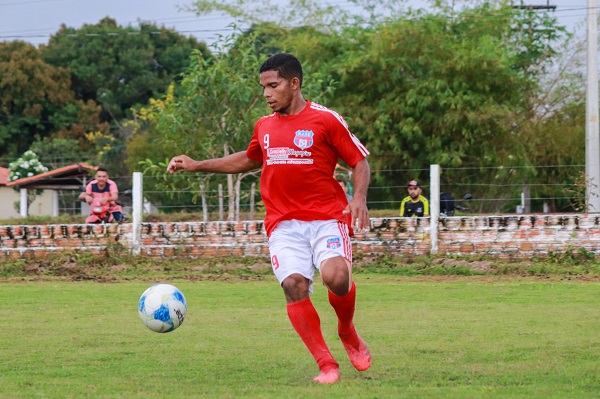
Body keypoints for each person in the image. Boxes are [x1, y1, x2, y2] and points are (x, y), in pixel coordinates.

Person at [167, 53, 371, 384]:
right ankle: (326, 364)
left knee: (336, 278)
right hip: (283, 223)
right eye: (263, 87)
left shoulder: (326, 120)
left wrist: (359, 197)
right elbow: (247, 160)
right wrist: (196, 164)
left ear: (294, 83)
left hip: (327, 217)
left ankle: (347, 331)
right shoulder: (264, 125)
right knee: (293, 285)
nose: (266, 93)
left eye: (273, 85)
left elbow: (359, 161)